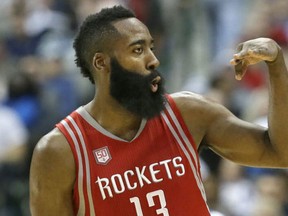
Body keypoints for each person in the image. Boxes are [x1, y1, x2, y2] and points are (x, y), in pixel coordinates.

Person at [29, 5, 288, 216]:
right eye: (138, 49)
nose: (153, 59)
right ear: (101, 62)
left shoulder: (188, 113)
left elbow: (280, 153)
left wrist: (276, 65)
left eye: (151, 47)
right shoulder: (59, 151)